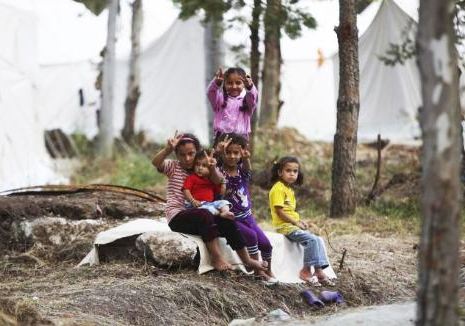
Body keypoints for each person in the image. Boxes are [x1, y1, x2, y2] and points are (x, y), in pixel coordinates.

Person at [152, 131, 266, 273]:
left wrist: (212, 166)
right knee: (204, 214)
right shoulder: (173, 167)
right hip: (178, 217)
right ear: (176, 155)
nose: (187, 159)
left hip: (200, 217)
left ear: (197, 152)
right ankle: (216, 257)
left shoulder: (204, 169)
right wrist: (168, 149)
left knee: (226, 220)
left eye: (191, 154)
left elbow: (219, 183)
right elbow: (156, 162)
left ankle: (247, 260)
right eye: (182, 154)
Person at [217, 133, 276, 283]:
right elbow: (214, 169)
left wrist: (247, 158)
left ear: (242, 153)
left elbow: (248, 168)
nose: (231, 156)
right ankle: (257, 271)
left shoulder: (242, 172)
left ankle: (267, 269)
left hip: (247, 216)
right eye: (228, 152)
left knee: (266, 244)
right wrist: (219, 153)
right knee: (251, 236)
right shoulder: (219, 172)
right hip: (233, 218)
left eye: (236, 153)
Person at [269, 156, 334, 286]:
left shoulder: (289, 189)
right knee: (311, 240)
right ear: (280, 172)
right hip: (285, 227)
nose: (292, 174)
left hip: (292, 226)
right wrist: (295, 223)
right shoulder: (278, 188)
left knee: (317, 239)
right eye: (288, 171)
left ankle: (318, 270)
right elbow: (280, 212)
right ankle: (305, 271)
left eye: (295, 171)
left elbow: (290, 211)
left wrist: (300, 221)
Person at [207, 67, 258, 142]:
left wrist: (250, 87)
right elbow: (210, 92)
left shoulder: (247, 101)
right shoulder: (219, 100)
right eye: (230, 83)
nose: (234, 86)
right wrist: (216, 83)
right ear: (224, 84)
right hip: (221, 139)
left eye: (238, 83)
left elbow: (254, 97)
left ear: (244, 84)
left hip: (241, 140)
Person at [183, 150, 234, 219]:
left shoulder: (211, 180)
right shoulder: (192, 178)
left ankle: (225, 213)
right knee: (209, 210)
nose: (200, 168)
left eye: (204, 166)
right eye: (197, 164)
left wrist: (223, 183)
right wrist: (192, 200)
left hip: (210, 204)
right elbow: (186, 190)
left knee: (225, 202)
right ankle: (218, 214)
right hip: (197, 204)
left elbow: (221, 193)